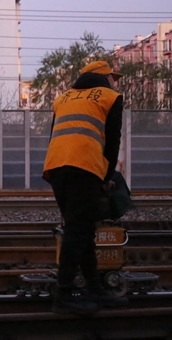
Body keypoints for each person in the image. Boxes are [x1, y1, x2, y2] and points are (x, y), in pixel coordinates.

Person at [42, 59, 128, 315]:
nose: (115, 81)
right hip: (85, 166)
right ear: (104, 77)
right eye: (113, 77)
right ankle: (64, 295)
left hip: (56, 165)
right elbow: (113, 141)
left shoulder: (63, 98)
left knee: (81, 228)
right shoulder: (111, 97)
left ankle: (94, 288)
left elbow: (54, 135)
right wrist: (107, 176)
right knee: (77, 232)